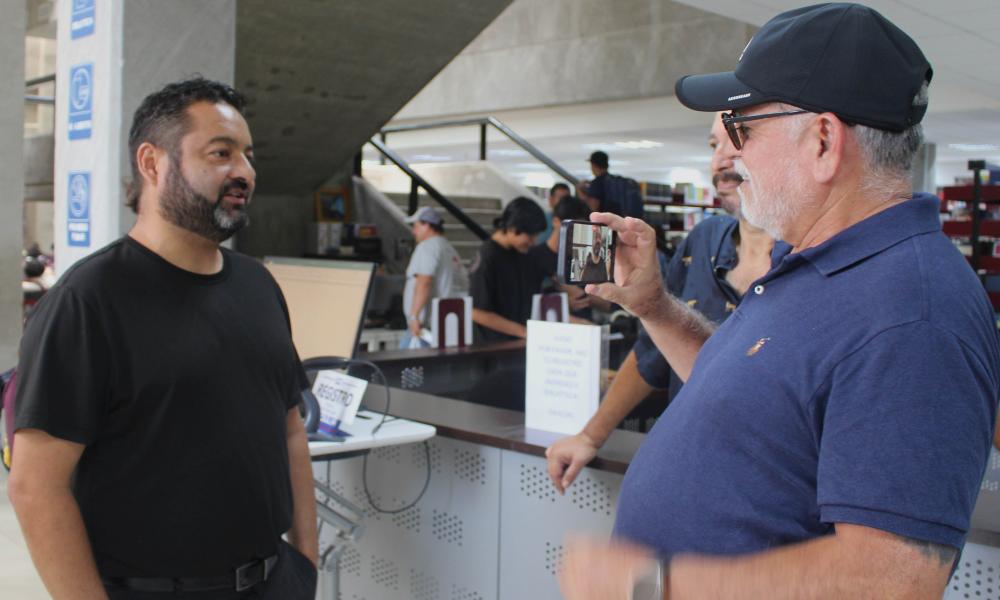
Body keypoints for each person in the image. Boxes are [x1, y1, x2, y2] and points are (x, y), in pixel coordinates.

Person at [559, 5, 1000, 599]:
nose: (731, 155)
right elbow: (749, 398)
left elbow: (894, 579)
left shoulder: (913, 314)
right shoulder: (813, 261)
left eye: (743, 127)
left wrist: (655, 583)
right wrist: (656, 307)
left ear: (822, 140)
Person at [8, 78, 318, 599]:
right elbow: (36, 487)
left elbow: (289, 427)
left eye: (247, 154)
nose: (243, 171)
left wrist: (304, 562)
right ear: (152, 163)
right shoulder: (89, 301)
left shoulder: (257, 285)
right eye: (221, 153)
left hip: (274, 581)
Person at [546, 114, 774, 493]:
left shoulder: (815, 261)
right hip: (690, 477)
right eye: (714, 144)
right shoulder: (703, 241)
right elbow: (652, 352)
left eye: (740, 137)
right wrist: (590, 436)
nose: (720, 159)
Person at [469, 196, 547, 342]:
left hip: (518, 345)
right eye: (530, 237)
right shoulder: (487, 256)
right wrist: (524, 332)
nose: (533, 242)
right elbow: (477, 312)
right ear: (513, 229)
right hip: (493, 350)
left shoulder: (522, 253)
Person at [528, 196, 611, 321]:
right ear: (555, 221)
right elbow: (528, 306)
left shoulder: (586, 258)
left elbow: (608, 304)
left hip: (586, 327)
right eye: (572, 228)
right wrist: (562, 304)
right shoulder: (533, 257)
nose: (577, 235)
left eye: (582, 229)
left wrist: (582, 295)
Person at [400, 206, 469, 348]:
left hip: (424, 327)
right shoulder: (450, 249)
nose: (414, 231)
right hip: (445, 324)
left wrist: (414, 317)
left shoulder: (427, 247)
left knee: (403, 367)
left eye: (416, 226)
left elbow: (424, 281)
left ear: (427, 225)